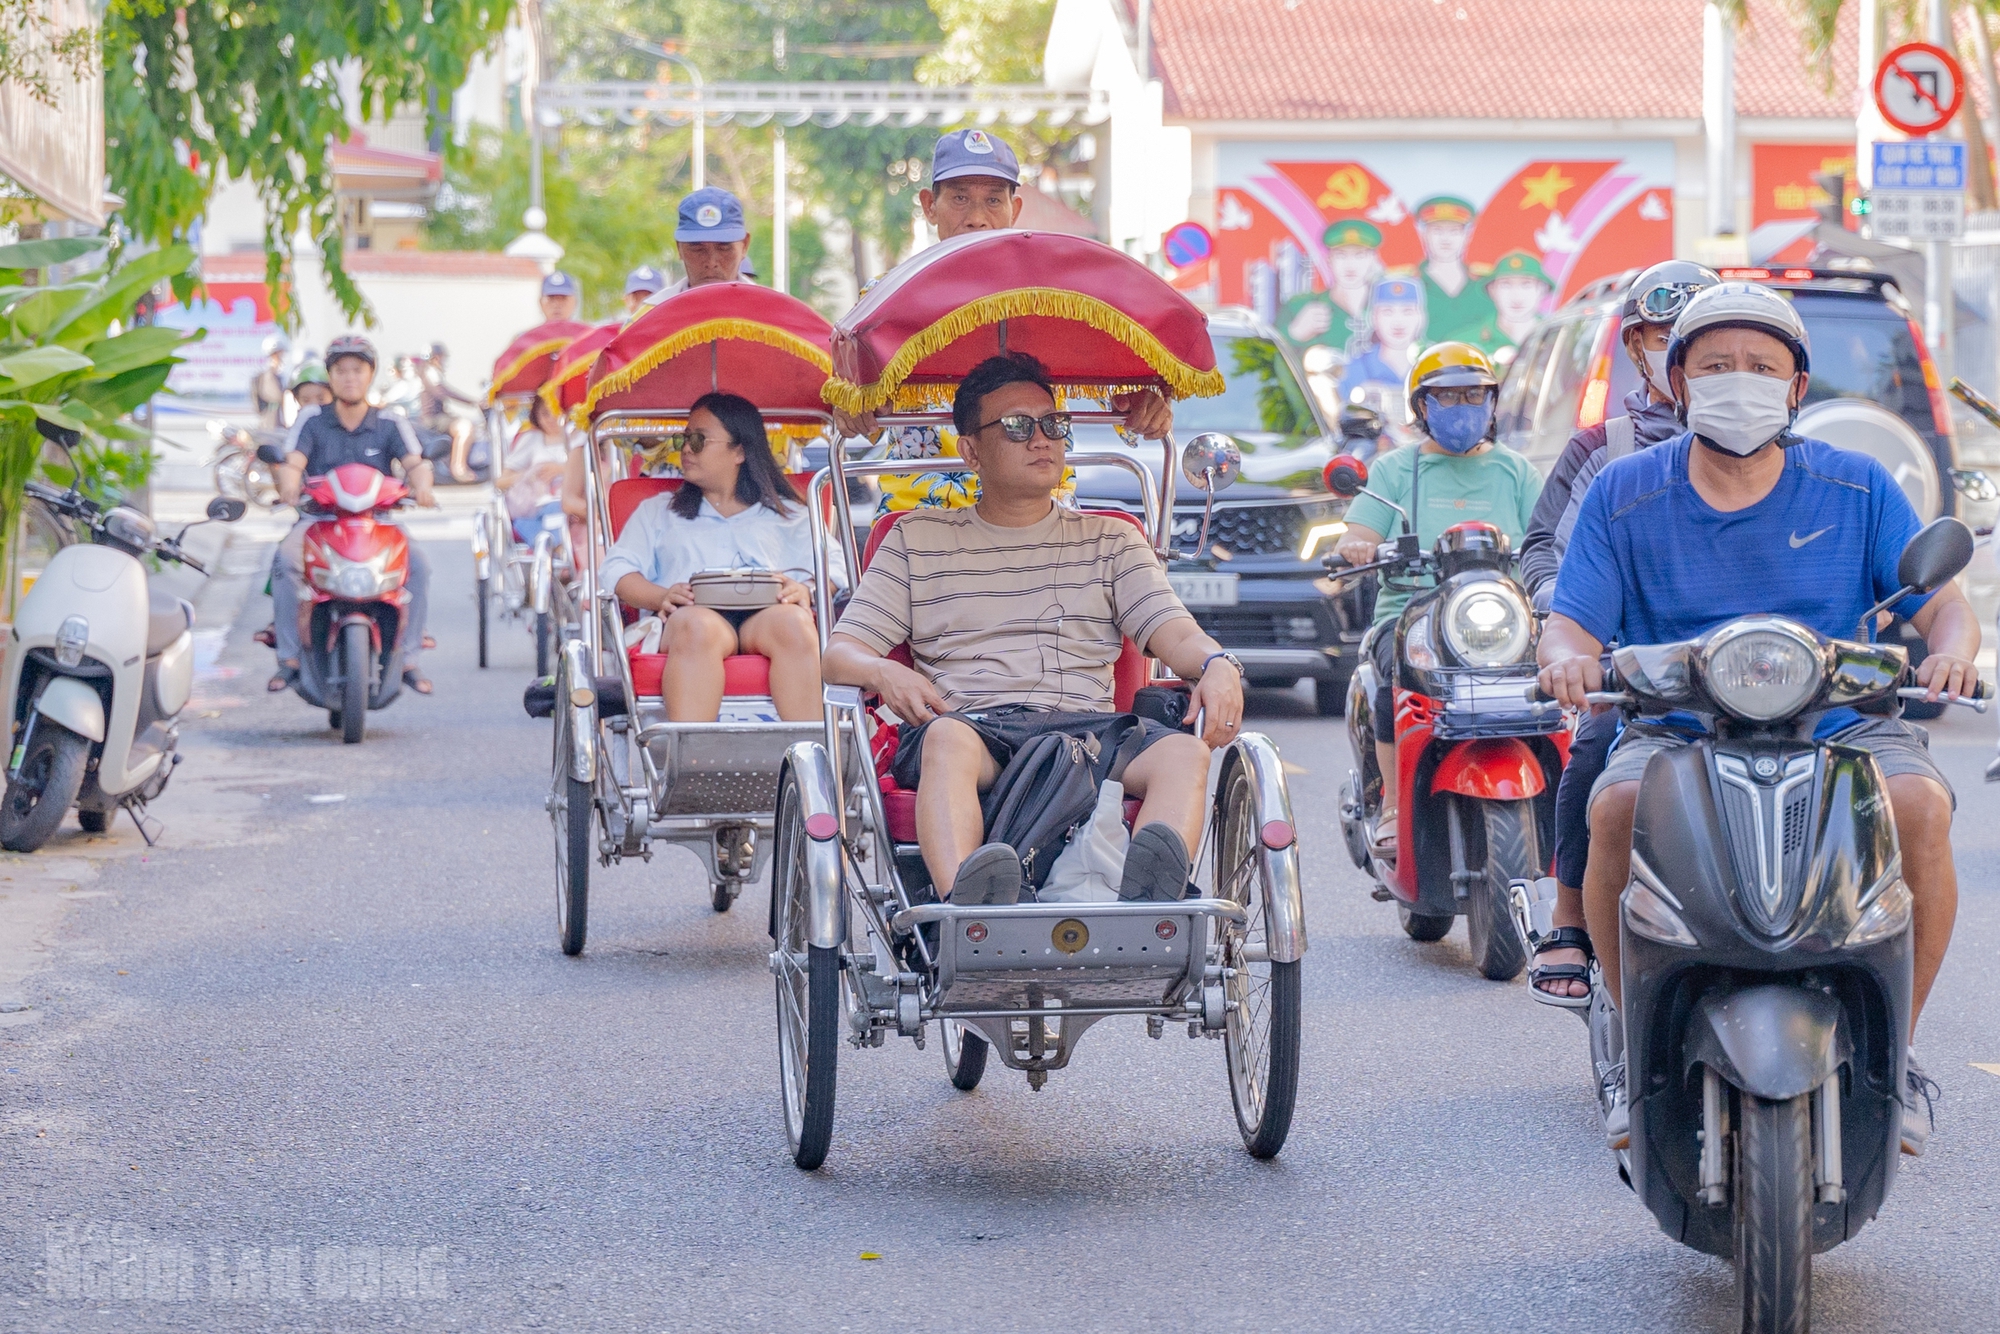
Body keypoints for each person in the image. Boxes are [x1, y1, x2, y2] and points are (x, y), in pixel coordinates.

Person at [1538, 282, 1979, 1154]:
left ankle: (1903, 1050)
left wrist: (1953, 648)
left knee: (1923, 806)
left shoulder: (1856, 484)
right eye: (1714, 366)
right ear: (1677, 382)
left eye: (1759, 367)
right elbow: (1570, 624)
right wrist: (1566, 661)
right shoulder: (1623, 492)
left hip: (1843, 724)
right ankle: (1632, 1046)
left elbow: (1944, 605)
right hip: (1677, 726)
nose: (1737, 381)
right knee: (1610, 809)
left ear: (1794, 387)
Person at [822, 352, 1245, 905]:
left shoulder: (1112, 540)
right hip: (976, 728)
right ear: (970, 449)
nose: (1041, 440)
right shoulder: (914, 539)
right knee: (947, 739)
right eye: (1018, 427)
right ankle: (968, 912)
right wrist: (882, 671)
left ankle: (1149, 907)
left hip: (1091, 732)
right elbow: (839, 655)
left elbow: (1176, 634)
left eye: (1053, 425)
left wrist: (1217, 666)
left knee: (1185, 754)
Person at [1515, 260, 1719, 1006]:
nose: (1682, 360)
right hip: (1635, 668)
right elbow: (1545, 547)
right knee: (1597, 744)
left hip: (1757, 672)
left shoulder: (1793, 454)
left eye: (1702, 345)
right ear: (1638, 351)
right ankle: (1569, 916)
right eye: (1664, 341)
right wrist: (1562, 627)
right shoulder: (1606, 451)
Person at [833, 129, 1172, 514]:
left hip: (1041, 514)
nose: (977, 218)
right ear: (929, 205)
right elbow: (853, 407)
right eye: (960, 198)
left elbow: (1118, 388)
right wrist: (852, 409)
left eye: (993, 200)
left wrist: (1145, 405)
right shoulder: (886, 296)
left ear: (1015, 210)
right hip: (923, 518)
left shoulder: (1054, 298)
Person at [1334, 342, 1541, 857]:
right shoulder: (1394, 470)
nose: (1462, 407)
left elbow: (1549, 539)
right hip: (1410, 615)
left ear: (1493, 403)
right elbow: (1351, 539)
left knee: (1556, 687)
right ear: (1422, 407)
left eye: (1474, 395)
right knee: (1393, 682)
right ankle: (1392, 805)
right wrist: (1359, 545)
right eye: (1447, 397)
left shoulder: (1518, 471)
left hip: (1501, 621)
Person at [598, 392, 827, 722]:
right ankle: (691, 768)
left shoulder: (788, 513)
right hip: (690, 618)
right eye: (684, 439)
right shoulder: (657, 511)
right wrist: (661, 595)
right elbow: (617, 571)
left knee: (795, 624)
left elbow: (832, 568)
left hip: (766, 618)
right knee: (698, 627)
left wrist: (805, 588)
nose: (687, 449)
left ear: (740, 451)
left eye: (699, 439)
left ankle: (811, 759)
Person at [271, 335, 439, 695]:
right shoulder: (311, 420)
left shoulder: (391, 422)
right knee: (285, 561)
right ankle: (289, 659)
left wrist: (423, 486)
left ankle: (408, 658)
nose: (350, 377)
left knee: (420, 565)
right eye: (341, 370)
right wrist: (288, 486)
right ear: (331, 376)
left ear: (371, 374)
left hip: (379, 521)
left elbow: (416, 463)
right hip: (318, 521)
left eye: (357, 370)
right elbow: (292, 463)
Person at [1413, 197, 1495, 344]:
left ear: (1467, 236)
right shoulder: (1410, 283)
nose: (1446, 239)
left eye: (1454, 231)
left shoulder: (1485, 284)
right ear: (1423, 235)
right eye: (1437, 231)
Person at [646, 188, 752, 302]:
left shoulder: (769, 312)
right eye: (697, 249)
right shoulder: (653, 314)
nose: (711, 262)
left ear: (744, 245)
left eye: (724, 248)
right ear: (679, 248)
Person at [1335, 277, 1426, 405]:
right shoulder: (1353, 370)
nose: (1398, 321)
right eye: (1387, 311)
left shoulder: (1432, 365)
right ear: (1373, 317)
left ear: (1421, 317)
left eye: (1407, 311)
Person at [500, 395, 575, 544]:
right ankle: (554, 546)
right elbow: (501, 481)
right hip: (537, 506)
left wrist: (564, 470)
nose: (551, 419)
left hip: (570, 502)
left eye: (555, 411)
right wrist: (532, 473)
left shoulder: (577, 438)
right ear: (537, 416)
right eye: (545, 414)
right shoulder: (531, 440)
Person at [1467, 250, 1555, 361]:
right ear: (1492, 290)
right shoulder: (1466, 344)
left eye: (1526, 284)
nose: (1516, 295)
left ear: (1543, 289)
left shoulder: (1559, 340)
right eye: (1506, 284)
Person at [419, 342, 482, 483]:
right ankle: (459, 468)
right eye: (442, 357)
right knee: (465, 427)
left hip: (437, 417)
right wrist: (472, 402)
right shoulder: (430, 372)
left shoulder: (428, 372)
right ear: (436, 358)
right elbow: (443, 392)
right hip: (434, 419)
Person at [251, 336, 287, 429]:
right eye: (277, 353)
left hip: (280, 421)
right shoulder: (267, 375)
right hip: (272, 422)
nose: (280, 356)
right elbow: (276, 396)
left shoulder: (284, 371)